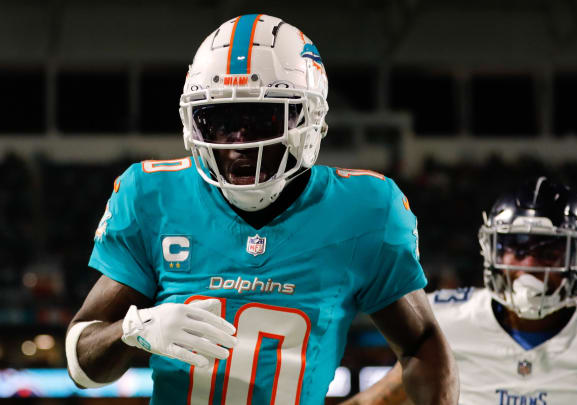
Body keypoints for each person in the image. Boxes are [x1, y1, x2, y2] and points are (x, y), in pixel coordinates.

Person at [65, 14, 458, 405]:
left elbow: (422, 345)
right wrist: (135, 328)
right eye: (219, 120)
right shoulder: (152, 195)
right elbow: (82, 365)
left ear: (309, 117)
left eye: (259, 119)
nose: (238, 143)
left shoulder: (366, 209)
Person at [341, 177, 577, 405]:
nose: (530, 265)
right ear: (492, 251)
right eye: (517, 250)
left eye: (549, 253)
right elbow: (374, 402)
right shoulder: (448, 321)